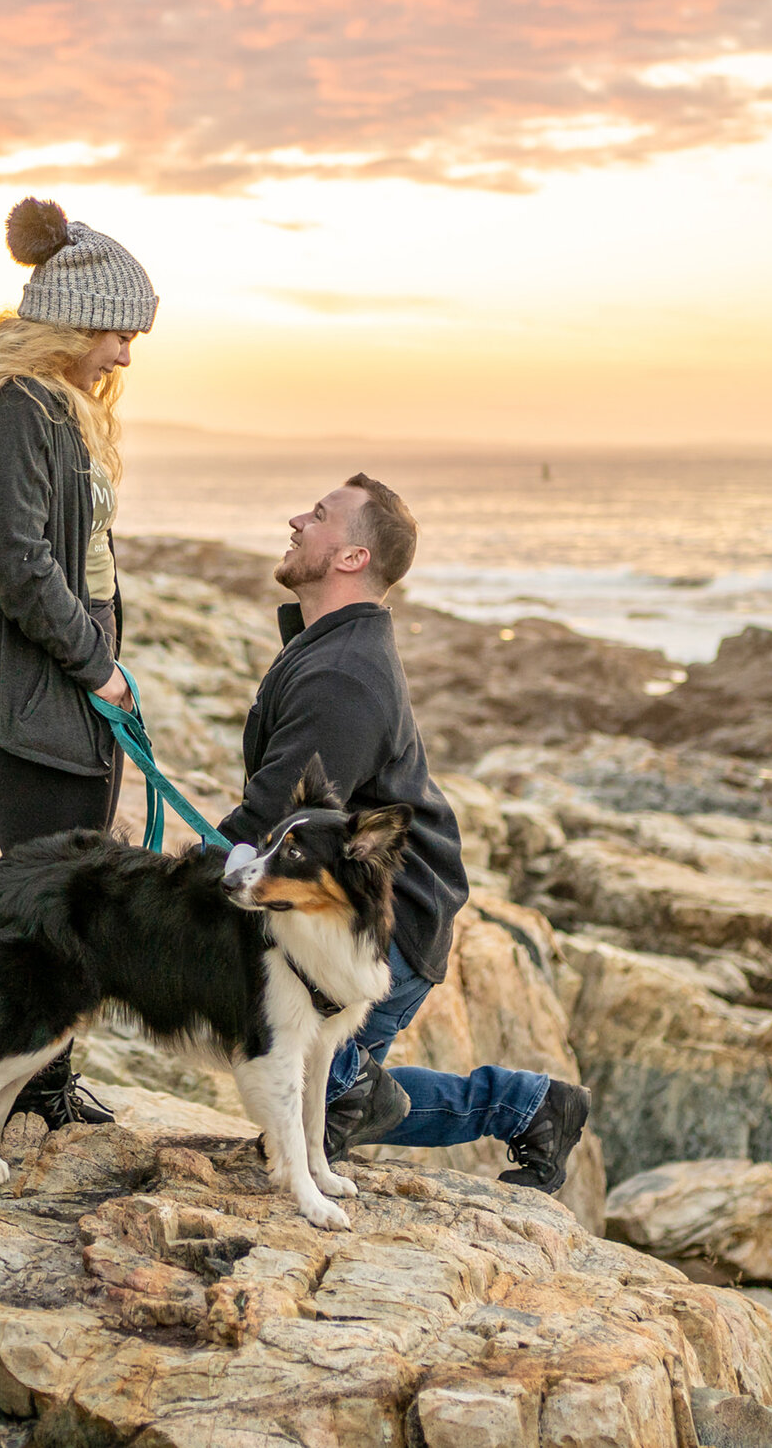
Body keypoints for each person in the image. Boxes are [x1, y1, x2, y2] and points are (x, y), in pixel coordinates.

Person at [213, 475, 592, 1192]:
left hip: (387, 919)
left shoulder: (343, 676)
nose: (296, 519)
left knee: (327, 1101)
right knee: (318, 1098)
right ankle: (527, 1104)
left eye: (318, 515)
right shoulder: (331, 647)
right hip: (372, 901)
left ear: (352, 557)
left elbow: (263, 821)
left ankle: (521, 1105)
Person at [0, 195, 157, 1131]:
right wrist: (98, 666)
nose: (125, 356)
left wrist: (98, 672)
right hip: (30, 702)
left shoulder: (49, 404)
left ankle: (37, 1082)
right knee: (56, 899)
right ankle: (25, 1088)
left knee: (68, 893)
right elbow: (15, 559)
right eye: (118, 334)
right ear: (71, 321)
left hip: (56, 698)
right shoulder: (14, 406)